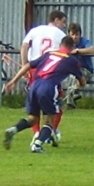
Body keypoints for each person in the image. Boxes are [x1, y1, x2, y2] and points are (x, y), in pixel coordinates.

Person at [3, 35, 85, 153]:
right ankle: (37, 144)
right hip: (48, 86)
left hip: (34, 85)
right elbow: (82, 81)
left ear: (60, 45)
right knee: (50, 120)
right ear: (72, 47)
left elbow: (28, 65)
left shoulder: (49, 54)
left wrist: (13, 81)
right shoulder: (71, 60)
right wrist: (79, 85)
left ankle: (13, 129)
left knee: (32, 119)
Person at [20, 10, 69, 143]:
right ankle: (49, 131)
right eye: (63, 22)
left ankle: (36, 133)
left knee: (34, 104)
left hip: (34, 70)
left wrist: (25, 65)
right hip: (50, 72)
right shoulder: (60, 34)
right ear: (56, 20)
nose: (64, 25)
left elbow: (24, 47)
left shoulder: (35, 30)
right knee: (57, 103)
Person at [64, 22, 94, 108]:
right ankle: (72, 98)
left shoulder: (85, 41)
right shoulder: (67, 44)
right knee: (71, 74)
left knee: (76, 74)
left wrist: (78, 51)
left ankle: (72, 97)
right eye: (72, 34)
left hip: (87, 71)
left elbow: (92, 50)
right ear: (69, 35)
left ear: (80, 35)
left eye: (77, 34)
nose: (74, 37)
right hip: (72, 72)